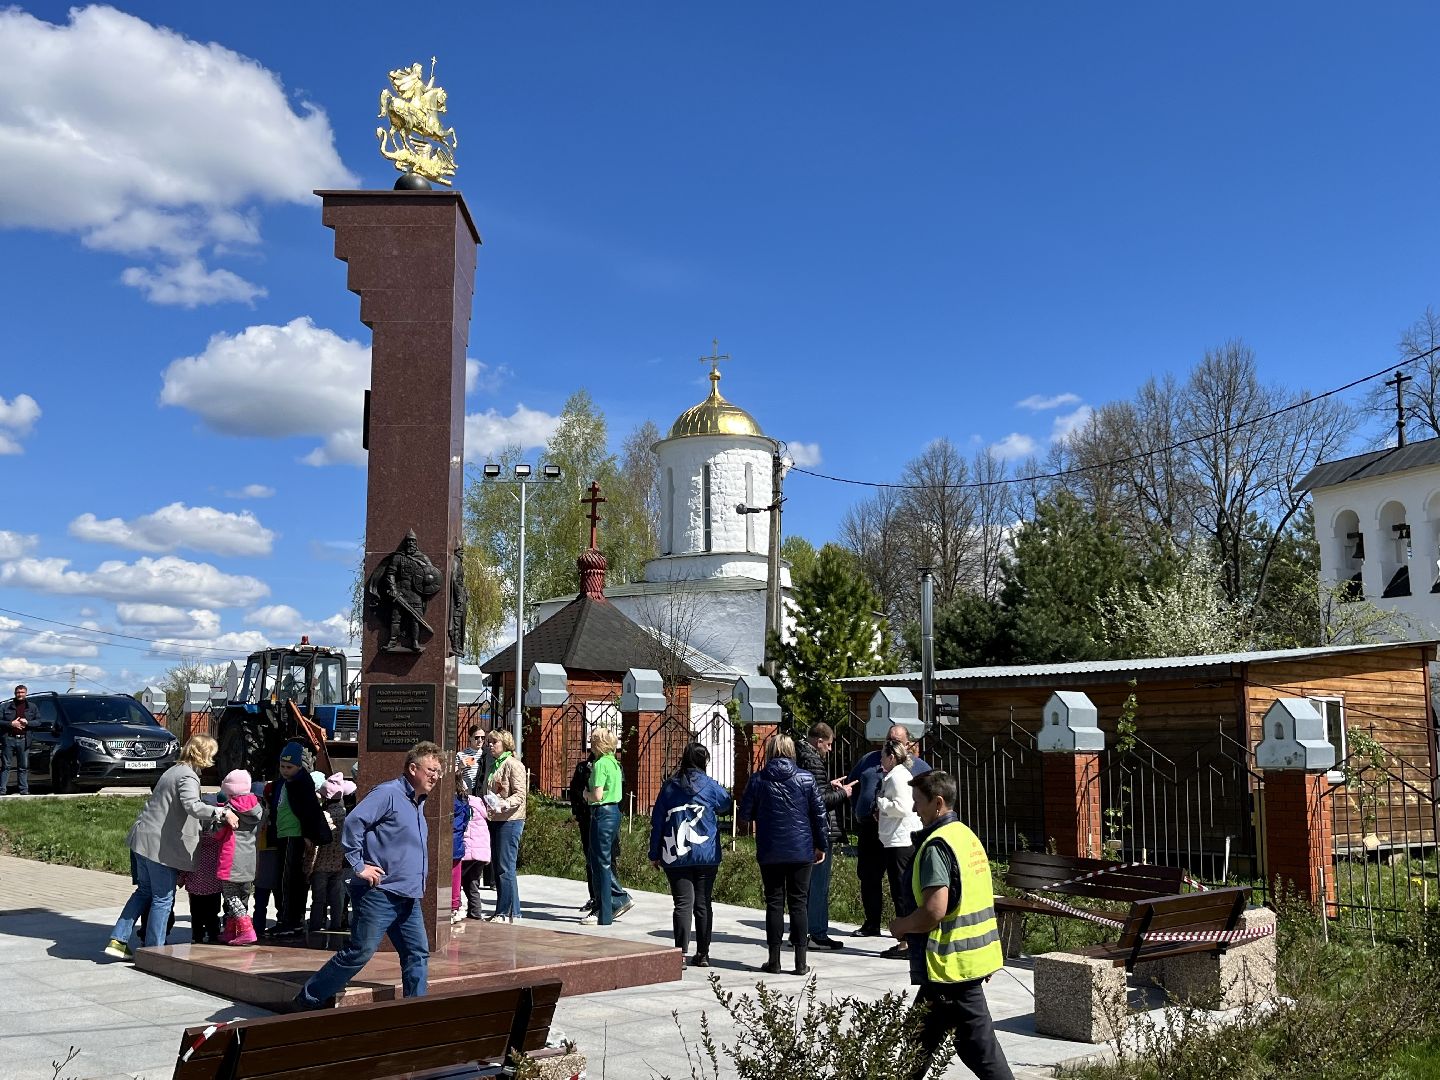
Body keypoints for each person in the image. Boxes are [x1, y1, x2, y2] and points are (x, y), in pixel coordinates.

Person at [292, 741, 443, 1010]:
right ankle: (308, 999)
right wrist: (359, 865)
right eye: (431, 770)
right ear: (412, 768)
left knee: (417, 952)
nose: (436, 776)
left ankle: (416, 1009)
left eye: (438, 771)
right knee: (359, 952)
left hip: (408, 895)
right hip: (380, 893)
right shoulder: (388, 793)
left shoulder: (418, 801)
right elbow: (353, 822)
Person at [889, 770, 1012, 1080]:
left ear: (938, 803)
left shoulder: (936, 847)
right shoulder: (965, 836)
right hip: (964, 964)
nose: (915, 809)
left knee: (980, 1052)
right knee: (916, 1044)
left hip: (951, 968)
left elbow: (934, 910)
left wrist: (901, 926)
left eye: (918, 802)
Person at [105, 734, 237, 958]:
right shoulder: (188, 776)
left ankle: (118, 939)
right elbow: (192, 806)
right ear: (203, 754)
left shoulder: (173, 770)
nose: (213, 759)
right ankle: (155, 951)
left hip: (141, 841)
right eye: (212, 754)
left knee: (144, 892)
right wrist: (221, 812)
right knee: (162, 898)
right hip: (159, 847)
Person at [738, 733, 829, 976]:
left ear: (769, 752)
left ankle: (774, 960)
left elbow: (745, 813)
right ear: (792, 752)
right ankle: (800, 962)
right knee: (799, 903)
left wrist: (762, 812)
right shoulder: (806, 779)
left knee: (774, 903)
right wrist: (821, 845)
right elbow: (819, 816)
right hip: (801, 849)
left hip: (770, 849)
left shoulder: (758, 779)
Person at [834, 724, 930, 937]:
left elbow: (926, 795)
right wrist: (859, 808)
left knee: (900, 882)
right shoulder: (870, 759)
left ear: (907, 744)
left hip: (899, 833)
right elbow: (853, 784)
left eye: (896, 741)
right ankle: (872, 923)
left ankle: (905, 931)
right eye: (888, 740)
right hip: (870, 829)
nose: (890, 744)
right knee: (868, 876)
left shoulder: (917, 767)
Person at [649, 742, 729, 966]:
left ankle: (680, 954)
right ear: (705, 762)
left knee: (682, 903)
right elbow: (726, 803)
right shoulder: (710, 786)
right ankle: (703, 954)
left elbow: (657, 822)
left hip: (676, 853)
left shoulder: (670, 786)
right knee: (703, 903)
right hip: (706, 853)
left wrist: (654, 852)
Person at [264, 741, 333, 937]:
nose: (285, 771)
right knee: (285, 879)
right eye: (282, 767)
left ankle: (290, 920)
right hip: (283, 833)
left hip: (294, 836)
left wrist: (308, 835)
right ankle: (288, 918)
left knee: (288, 880)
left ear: (299, 767)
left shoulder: (301, 783)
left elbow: (309, 811)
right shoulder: (284, 783)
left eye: (289, 767)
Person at [794, 721, 847, 951]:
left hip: (801, 831)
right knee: (818, 885)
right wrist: (843, 793)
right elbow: (819, 802)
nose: (830, 749)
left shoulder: (799, 756)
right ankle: (817, 933)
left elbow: (814, 791)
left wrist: (828, 785)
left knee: (803, 886)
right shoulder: (813, 760)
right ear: (819, 741)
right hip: (817, 832)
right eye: (828, 744)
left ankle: (801, 932)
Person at [581, 728, 634, 926]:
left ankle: (608, 907)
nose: (590, 743)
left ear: (598, 743)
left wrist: (586, 795)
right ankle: (612, 902)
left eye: (592, 740)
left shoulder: (601, 764)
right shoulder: (614, 763)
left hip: (601, 813)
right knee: (602, 860)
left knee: (599, 862)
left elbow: (597, 795)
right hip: (613, 813)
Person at [876, 738, 923, 959]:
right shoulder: (898, 775)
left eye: (883, 755)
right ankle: (907, 940)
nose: (881, 759)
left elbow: (903, 807)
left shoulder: (897, 776)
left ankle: (907, 943)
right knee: (900, 891)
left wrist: (881, 803)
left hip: (900, 841)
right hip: (896, 839)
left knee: (901, 892)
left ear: (892, 756)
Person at [215, 769, 265, 945]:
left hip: (231, 858)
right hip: (249, 858)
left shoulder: (229, 810)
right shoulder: (257, 807)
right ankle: (231, 930)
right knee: (243, 894)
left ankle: (246, 930)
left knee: (230, 896)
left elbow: (218, 834)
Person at [485, 728, 527, 922]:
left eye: (494, 742)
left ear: (506, 744)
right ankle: (513, 911)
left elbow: (520, 794)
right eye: (489, 742)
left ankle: (504, 911)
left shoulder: (513, 764)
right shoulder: (495, 764)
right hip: (496, 818)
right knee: (501, 866)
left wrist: (504, 803)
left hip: (510, 820)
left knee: (504, 867)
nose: (490, 745)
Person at [308, 772, 355, 934]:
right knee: (337, 898)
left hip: (321, 864)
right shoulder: (346, 816)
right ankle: (336, 924)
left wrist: (309, 866)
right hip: (339, 863)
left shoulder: (323, 817)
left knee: (319, 898)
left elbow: (315, 845)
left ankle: (315, 925)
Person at [183, 813, 224, 945]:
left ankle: (197, 935)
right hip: (214, 885)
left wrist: (182, 877)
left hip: (195, 885)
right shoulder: (218, 841)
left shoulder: (192, 843)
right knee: (213, 913)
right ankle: (213, 934)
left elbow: (186, 863)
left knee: (196, 914)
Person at [458, 770, 490, 919]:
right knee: (473, 883)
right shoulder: (478, 803)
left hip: (468, 851)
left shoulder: (461, 804)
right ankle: (476, 913)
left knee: (458, 880)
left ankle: (457, 908)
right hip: (482, 852)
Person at [1, 683, 32, 796]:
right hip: (8, 739)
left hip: (24, 740)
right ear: (15, 693)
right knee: (6, 766)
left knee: (23, 766)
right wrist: (11, 724)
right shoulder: (6, 706)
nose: (20, 694)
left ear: (26, 693)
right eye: (18, 692)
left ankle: (24, 790)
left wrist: (27, 722)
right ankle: (2, 790)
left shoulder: (31, 707)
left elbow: (38, 721)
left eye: (22, 692)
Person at [449, 774, 472, 925]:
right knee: (456, 876)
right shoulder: (464, 801)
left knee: (451, 875)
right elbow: (465, 823)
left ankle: (452, 906)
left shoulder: (448, 803)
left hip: (449, 842)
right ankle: (455, 905)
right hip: (458, 843)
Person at [455, 726, 486, 793]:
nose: (480, 740)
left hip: (482, 791)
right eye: (477, 737)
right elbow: (454, 775)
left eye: (483, 737)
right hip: (467, 790)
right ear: (469, 738)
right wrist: (460, 766)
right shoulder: (461, 754)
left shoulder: (486, 754)